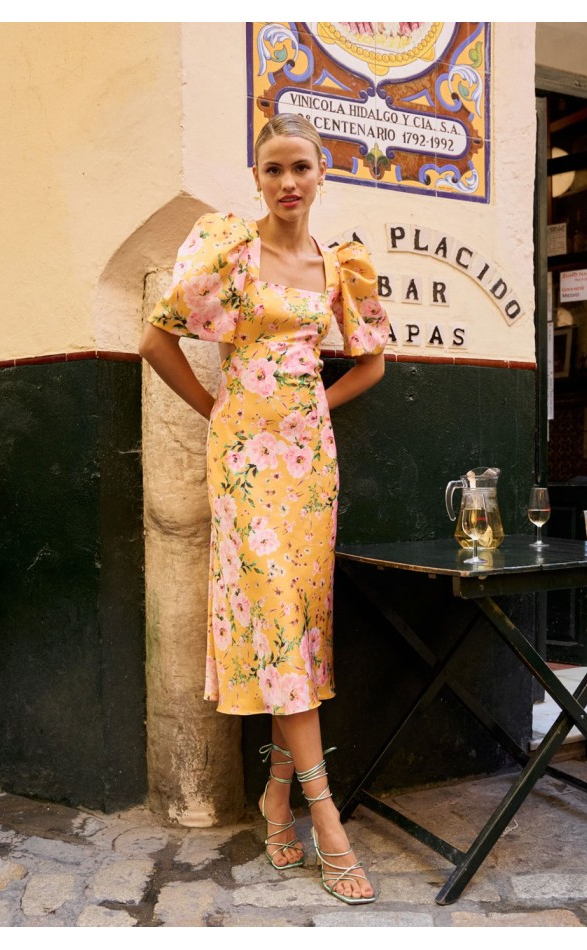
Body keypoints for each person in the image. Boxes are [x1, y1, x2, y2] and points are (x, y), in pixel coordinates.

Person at [139, 114, 389, 905]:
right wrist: (217, 409)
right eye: (274, 169)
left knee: (298, 625)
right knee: (278, 619)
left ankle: (277, 795)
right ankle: (326, 816)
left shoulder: (341, 266)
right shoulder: (229, 250)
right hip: (246, 462)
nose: (288, 182)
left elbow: (373, 363)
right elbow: (156, 341)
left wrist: (315, 405)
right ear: (257, 178)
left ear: (321, 175)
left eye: (301, 167)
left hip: (310, 466)